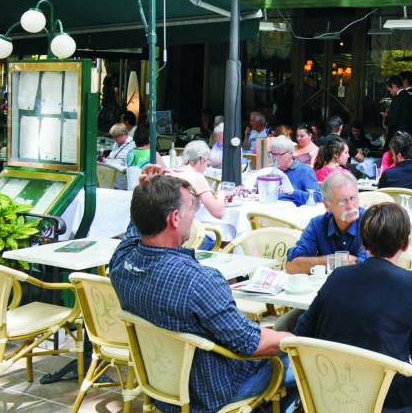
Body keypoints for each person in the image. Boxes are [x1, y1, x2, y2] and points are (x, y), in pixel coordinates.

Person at [109, 175, 296, 413]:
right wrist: (292, 339)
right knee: (304, 363)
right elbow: (250, 343)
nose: (193, 216)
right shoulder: (198, 281)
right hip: (210, 395)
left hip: (161, 389)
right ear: (174, 218)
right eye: (191, 209)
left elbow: (134, 232)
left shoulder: (121, 262)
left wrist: (147, 196)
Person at [295, 202, 412, 412]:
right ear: (406, 243)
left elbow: (303, 333)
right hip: (389, 404)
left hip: (330, 396)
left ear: (363, 244)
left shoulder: (338, 276)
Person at [275, 171, 368, 331]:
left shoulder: (370, 223)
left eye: (353, 198)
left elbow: (365, 270)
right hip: (322, 300)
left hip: (361, 303)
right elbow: (292, 266)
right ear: (327, 205)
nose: (351, 206)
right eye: (343, 201)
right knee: (282, 327)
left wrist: (320, 264)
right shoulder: (318, 224)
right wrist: (338, 260)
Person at [255, 134, 320, 204]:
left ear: (290, 154)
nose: (274, 158)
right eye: (272, 154)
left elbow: (317, 197)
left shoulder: (305, 171)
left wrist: (293, 192)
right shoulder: (270, 170)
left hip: (292, 209)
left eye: (278, 155)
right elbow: (257, 191)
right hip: (269, 207)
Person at [170, 140, 224, 219]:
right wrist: (221, 194)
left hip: (169, 221)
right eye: (207, 161)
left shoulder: (171, 172)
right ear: (201, 159)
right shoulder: (197, 177)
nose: (207, 165)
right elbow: (218, 213)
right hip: (185, 222)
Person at [384, 75, 412, 154]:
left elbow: (392, 121)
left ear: (394, 86)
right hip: (410, 137)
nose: (390, 92)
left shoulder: (397, 99)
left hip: (397, 137)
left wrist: (386, 117)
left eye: (390, 90)